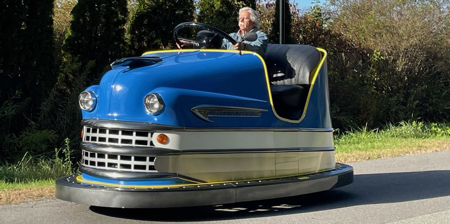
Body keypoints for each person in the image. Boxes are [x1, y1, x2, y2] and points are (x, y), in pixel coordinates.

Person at [177, 7, 268, 56]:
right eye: (239, 18)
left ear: (253, 20)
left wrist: (244, 46)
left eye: (244, 18)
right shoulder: (232, 36)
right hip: (229, 68)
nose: (241, 20)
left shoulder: (260, 36)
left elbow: (259, 49)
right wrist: (192, 44)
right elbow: (216, 44)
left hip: (249, 71)